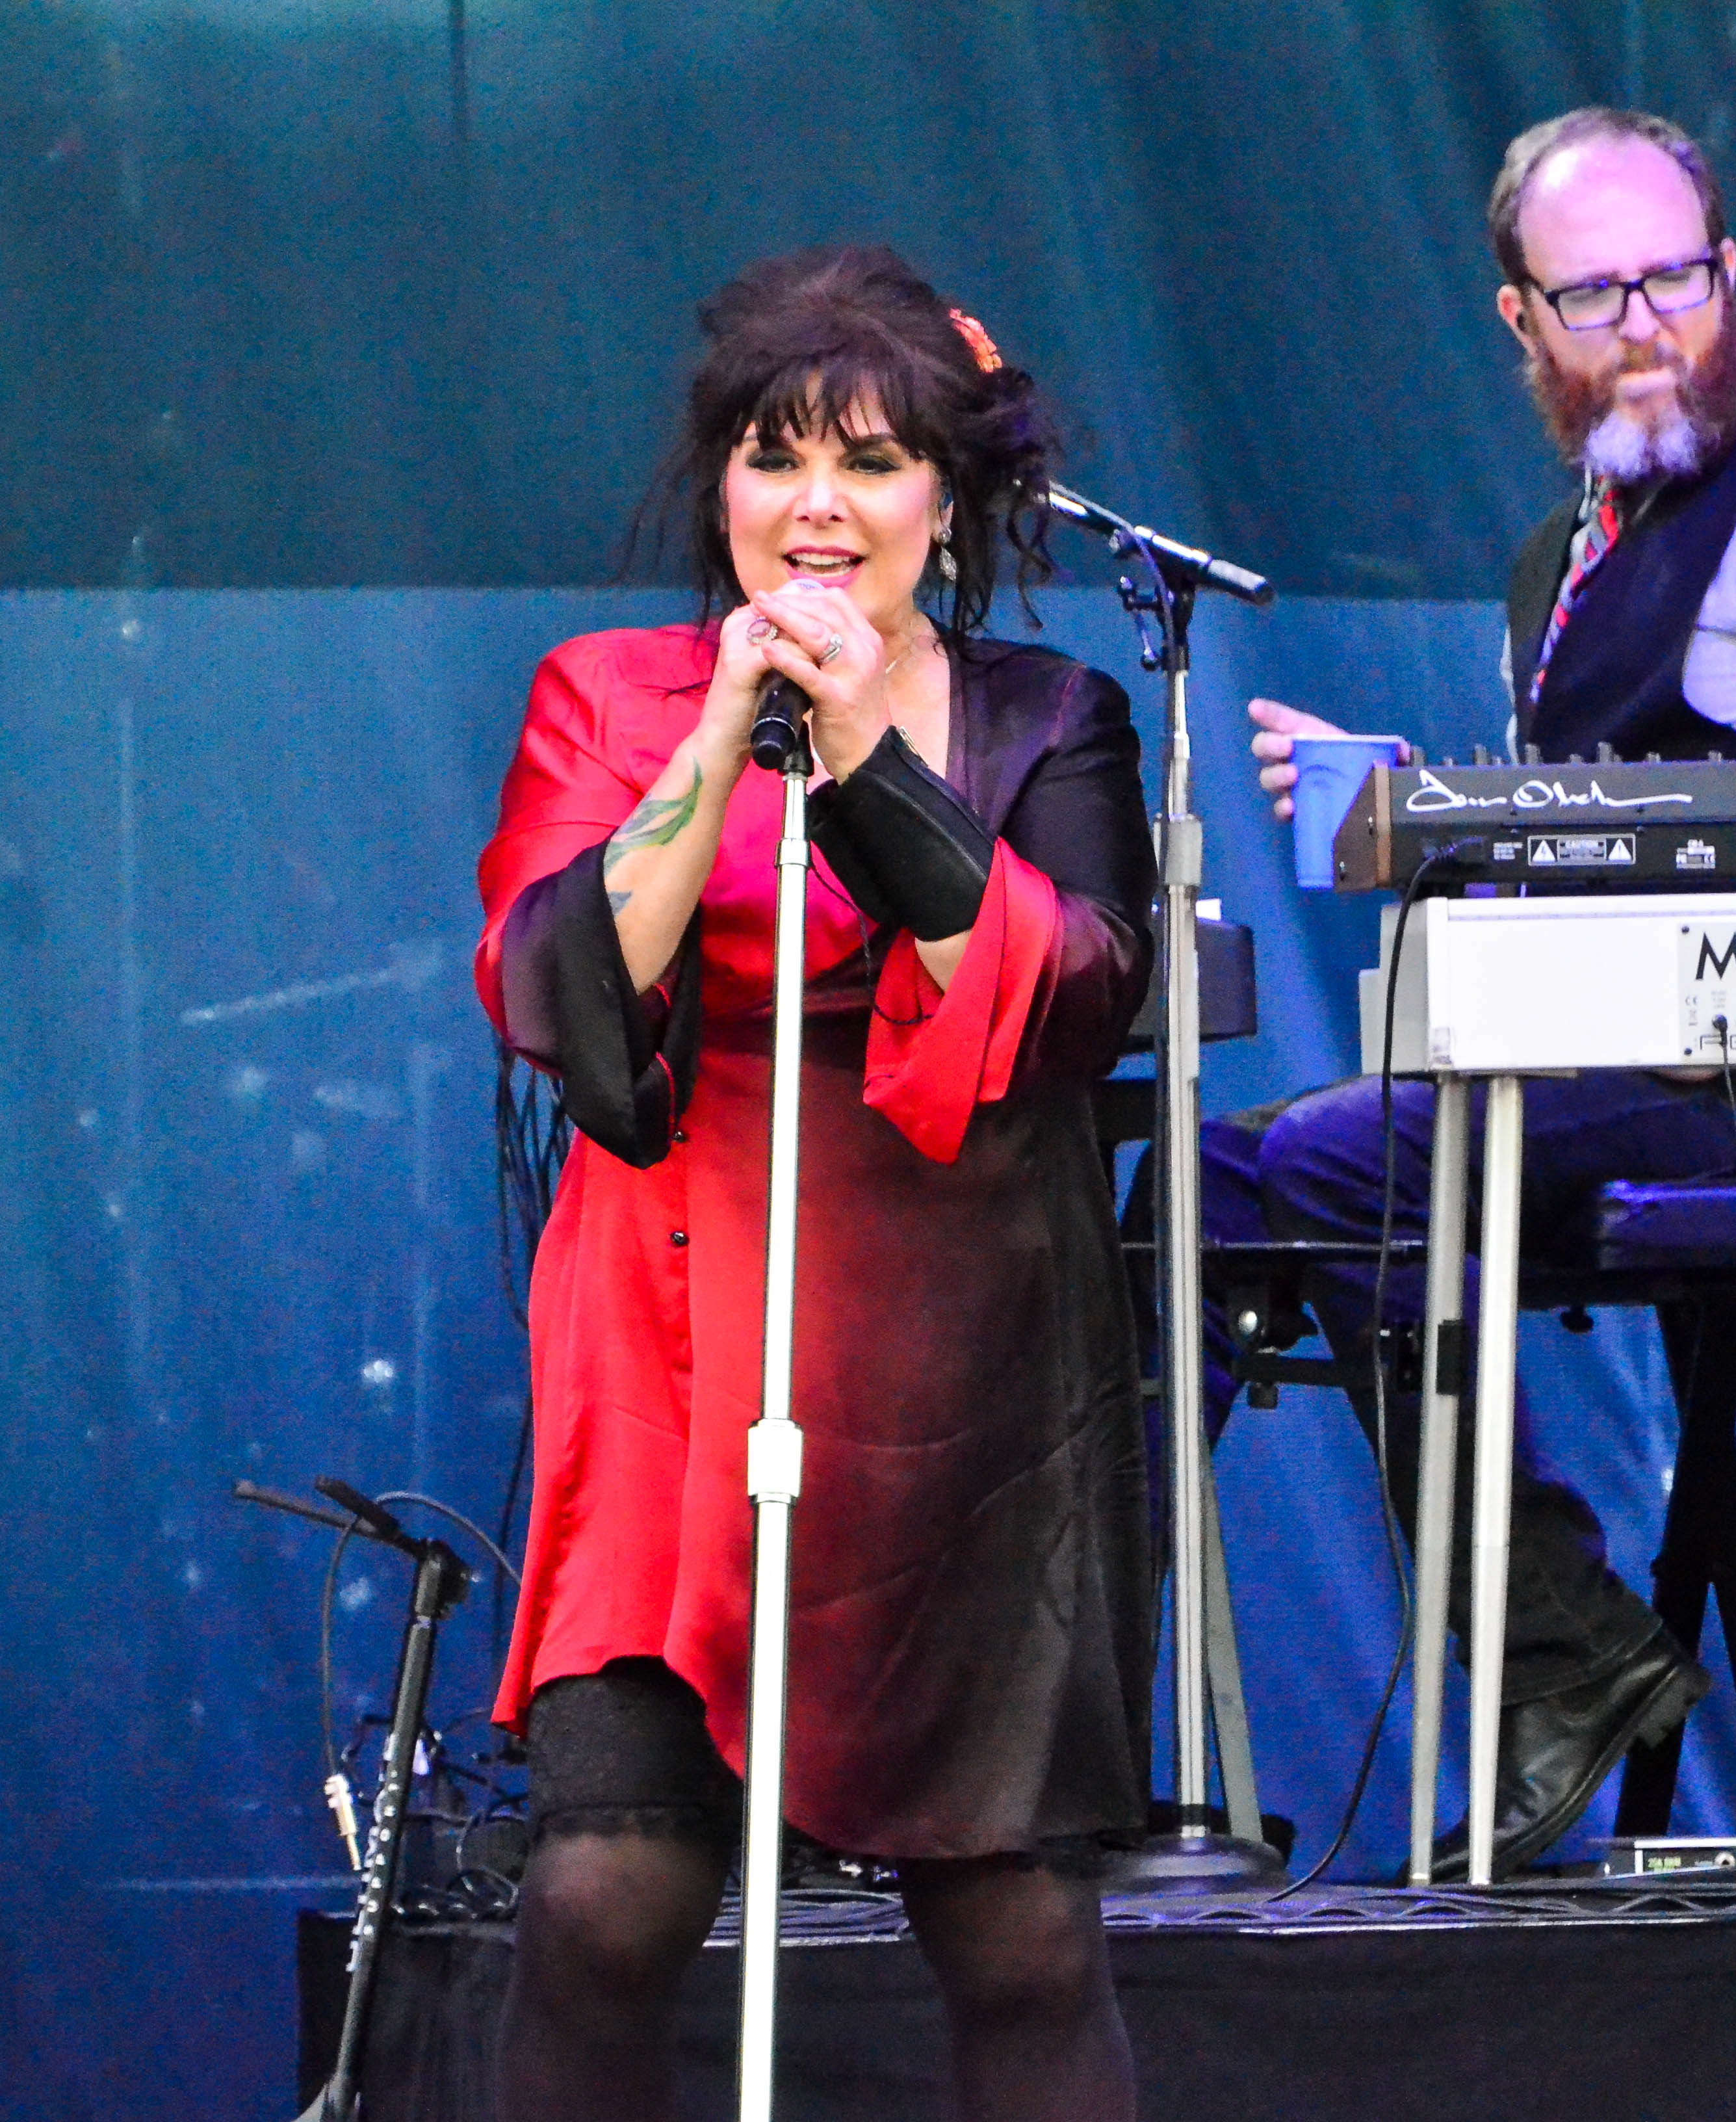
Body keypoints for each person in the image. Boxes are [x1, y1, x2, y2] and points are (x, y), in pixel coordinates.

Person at [1208, 108, 1736, 1878]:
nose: (1647, 322)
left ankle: (1560, 1655)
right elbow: (1592, 860)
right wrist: (1424, 813)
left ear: (1727, 277)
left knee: (1343, 1161)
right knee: (1194, 1185)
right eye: (1596, 294)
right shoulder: (1558, 559)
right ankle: (1108, 1740)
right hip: (1617, 1058)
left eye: (1676, 278)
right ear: (1521, 322)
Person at [477, 244, 1155, 2121]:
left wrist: (861, 751)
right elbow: (552, 986)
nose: (820, 507)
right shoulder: (605, 697)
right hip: (677, 1345)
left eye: (871, 462)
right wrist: (722, 741)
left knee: (1018, 1931)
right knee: (605, 1904)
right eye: (777, 459)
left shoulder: (1043, 715)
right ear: (722, 487)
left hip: (967, 1379)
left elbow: (1082, 991)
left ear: (951, 496)